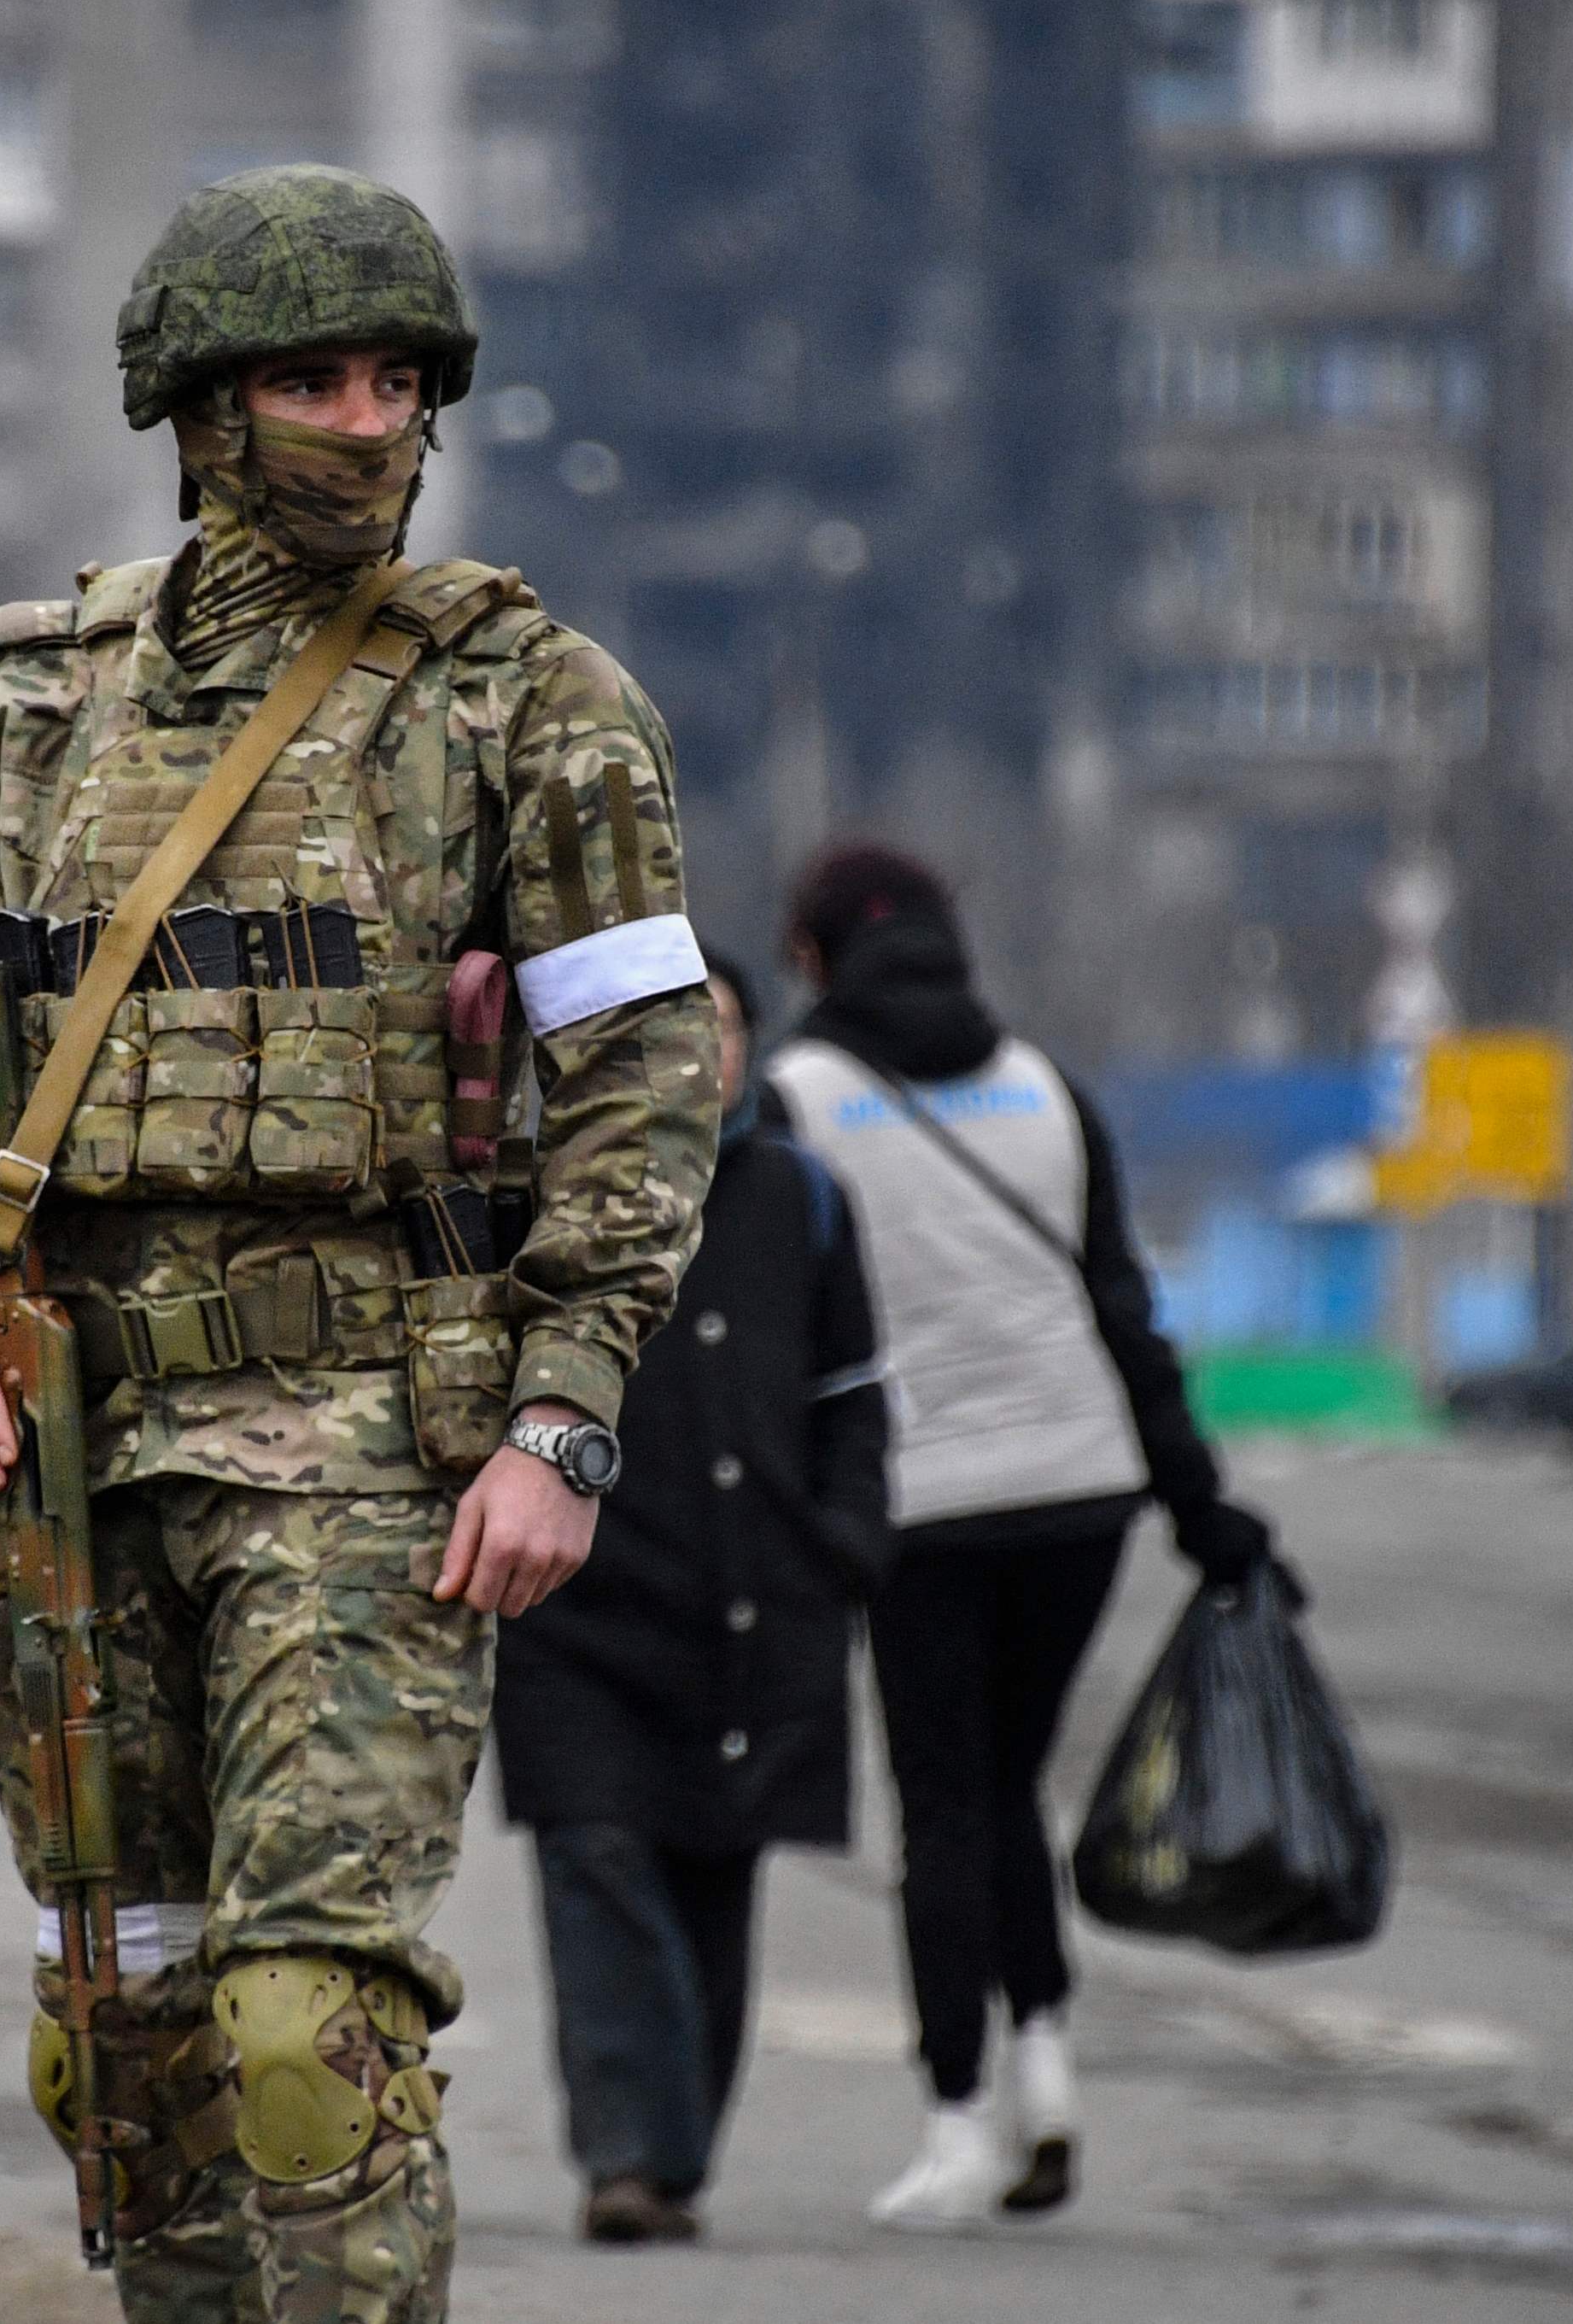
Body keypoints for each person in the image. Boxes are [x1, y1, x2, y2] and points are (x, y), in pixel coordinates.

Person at [0, 163, 721, 2324]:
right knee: (117, 2036)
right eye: (310, 374)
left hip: (360, 1442)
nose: (362, 416)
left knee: (300, 2035)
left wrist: (562, 1410)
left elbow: (644, 1081)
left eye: (396, 376)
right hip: (74, 1445)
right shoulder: (43, 697)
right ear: (200, 407)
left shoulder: (529, 698)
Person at [762, 841, 1283, 2232]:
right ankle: (1045, 2073)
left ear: (812, 955)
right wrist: (1203, 1510)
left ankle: (956, 2120)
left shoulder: (799, 1099)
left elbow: (779, 1328)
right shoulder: (1048, 1087)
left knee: (943, 1803)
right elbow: (1126, 1310)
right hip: (1080, 1492)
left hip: (920, 1502)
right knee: (1011, 1790)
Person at [494, 951, 892, 2245]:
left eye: (716, 1028)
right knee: (596, 1853)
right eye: (667, 1030)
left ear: (750, 1048)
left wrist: (846, 1543)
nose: (695, 1054)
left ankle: (672, 2154)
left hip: (755, 1608)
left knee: (717, 1879)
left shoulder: (802, 1200)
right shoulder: (546, 1189)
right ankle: (628, 2154)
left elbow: (852, 1398)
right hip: (582, 1606)